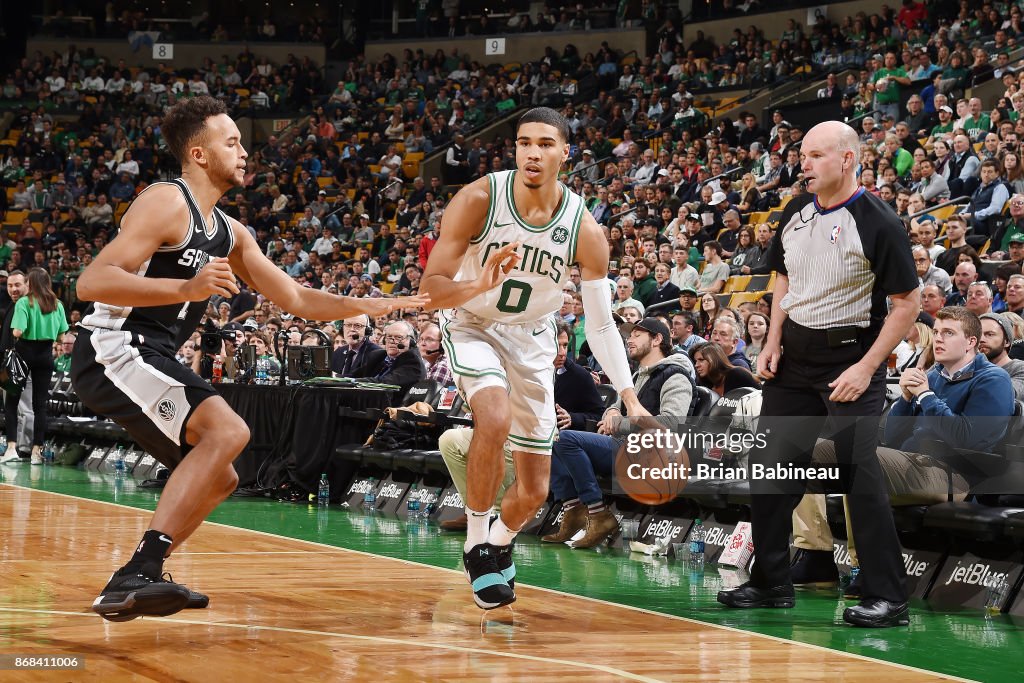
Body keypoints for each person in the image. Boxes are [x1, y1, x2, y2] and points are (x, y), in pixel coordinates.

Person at [70, 96, 429, 622]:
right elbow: (91, 281)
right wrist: (187, 286)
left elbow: (299, 300)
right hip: (113, 347)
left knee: (224, 477)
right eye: (231, 142)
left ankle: (130, 582)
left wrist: (370, 303)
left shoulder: (233, 234)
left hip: (150, 353)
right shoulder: (166, 201)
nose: (243, 152)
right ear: (198, 153)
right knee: (230, 433)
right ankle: (139, 570)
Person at [421, 107, 649, 610]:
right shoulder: (480, 198)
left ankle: (501, 542)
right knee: (493, 415)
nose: (532, 152)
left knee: (534, 490)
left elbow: (603, 322)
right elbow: (431, 289)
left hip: (533, 339)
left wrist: (629, 394)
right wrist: (478, 284)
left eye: (545, 144)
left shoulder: (584, 228)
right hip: (472, 321)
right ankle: (478, 543)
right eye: (525, 142)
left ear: (565, 153)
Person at [717, 120, 920, 628]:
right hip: (794, 358)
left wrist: (866, 366)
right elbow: (783, 274)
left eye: (814, 155)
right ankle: (771, 582)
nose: (802, 164)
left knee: (859, 474)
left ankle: (888, 597)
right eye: (802, 155)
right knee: (768, 471)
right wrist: (772, 338)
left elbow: (907, 304)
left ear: (847, 159)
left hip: (850, 356)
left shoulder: (879, 221)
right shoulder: (794, 209)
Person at [437, 321, 604, 531]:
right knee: (449, 440)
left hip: (543, 443)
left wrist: (574, 418)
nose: (562, 352)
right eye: (556, 346)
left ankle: (497, 513)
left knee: (505, 446)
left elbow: (598, 414)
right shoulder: (518, 367)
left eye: (565, 345)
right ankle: (475, 509)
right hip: (508, 431)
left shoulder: (578, 376)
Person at [544, 318, 693, 548]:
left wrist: (620, 423)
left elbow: (671, 424)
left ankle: (597, 513)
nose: (629, 341)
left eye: (636, 335)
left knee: (565, 439)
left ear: (657, 339)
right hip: (627, 448)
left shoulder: (676, 375)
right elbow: (616, 407)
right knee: (552, 437)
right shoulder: (637, 375)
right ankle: (572, 509)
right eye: (629, 336)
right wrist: (613, 411)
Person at [5, 268, 67, 465]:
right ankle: (36, 452)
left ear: (30, 284)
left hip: (24, 354)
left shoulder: (24, 302)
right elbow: (61, 337)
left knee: (11, 402)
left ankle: (11, 448)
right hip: (45, 355)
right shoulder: (58, 304)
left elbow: (16, 332)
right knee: (40, 405)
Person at [0, 271, 30, 464]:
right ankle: (14, 447)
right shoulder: (13, 305)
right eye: (10, 285)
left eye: (17, 285)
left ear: (27, 284)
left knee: (24, 408)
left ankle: (26, 449)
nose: (13, 289)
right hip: (9, 362)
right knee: (11, 407)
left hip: (21, 363)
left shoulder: (27, 305)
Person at [354, 320, 426, 394]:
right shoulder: (378, 355)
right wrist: (343, 379)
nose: (392, 341)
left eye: (398, 337)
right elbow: (355, 375)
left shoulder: (413, 361)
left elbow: (385, 383)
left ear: (411, 342)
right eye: (389, 337)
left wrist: (354, 382)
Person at [418, 322, 453, 386]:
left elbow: (429, 395)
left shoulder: (442, 366)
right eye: (421, 339)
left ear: (442, 345)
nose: (423, 343)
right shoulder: (428, 365)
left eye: (429, 339)